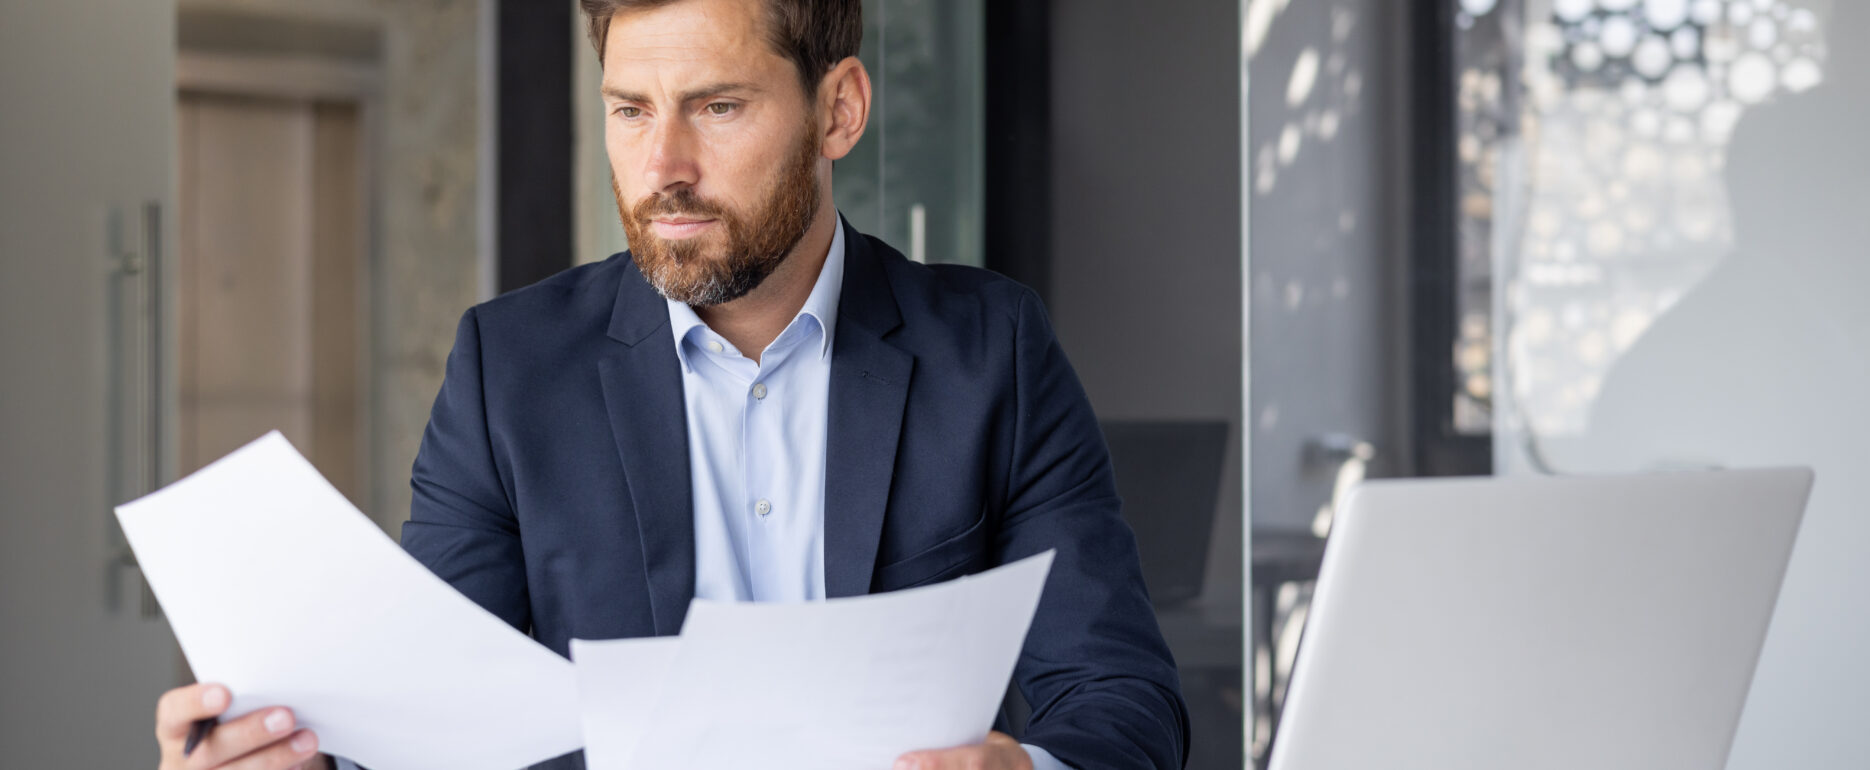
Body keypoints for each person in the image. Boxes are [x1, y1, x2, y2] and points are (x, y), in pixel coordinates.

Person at [150, 0, 1189, 768]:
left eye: (716, 106)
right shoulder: (507, 371)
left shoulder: (990, 349)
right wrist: (287, 758)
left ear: (839, 109)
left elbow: (1123, 700)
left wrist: (1028, 768)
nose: (663, 165)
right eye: (629, 109)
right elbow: (424, 724)